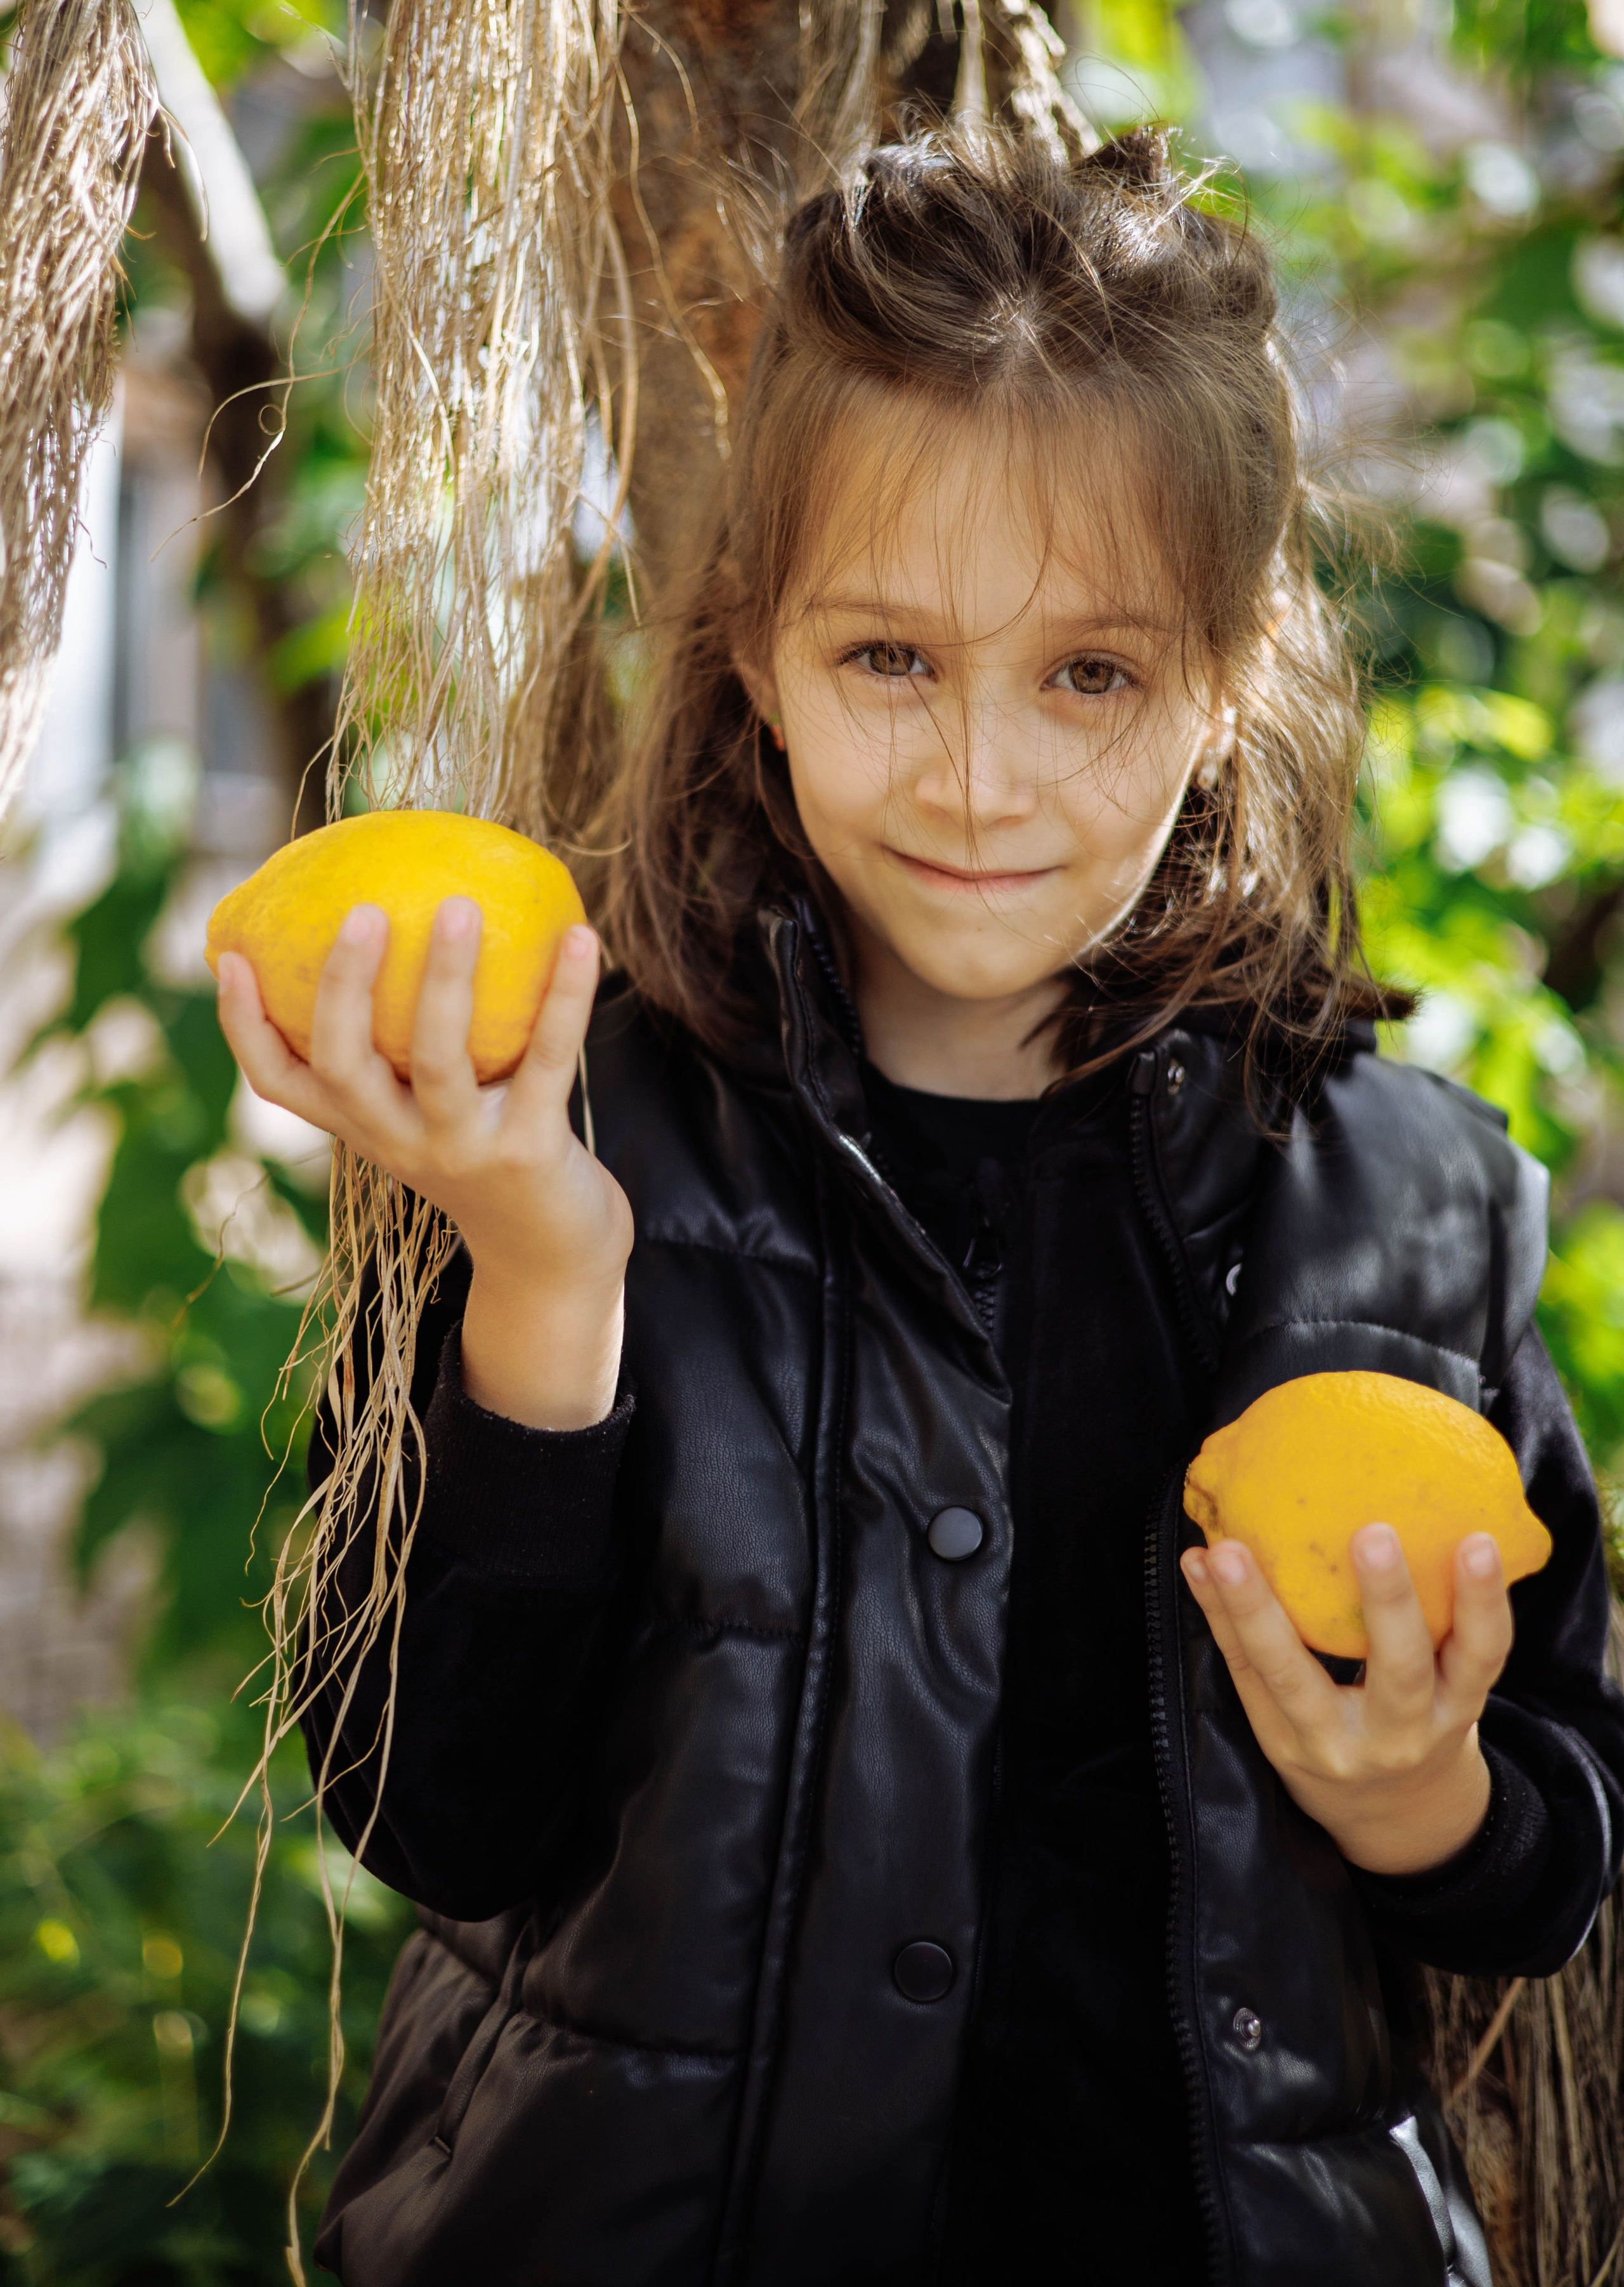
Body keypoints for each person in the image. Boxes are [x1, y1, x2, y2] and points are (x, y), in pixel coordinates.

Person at [215, 124, 1624, 2287]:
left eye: (1090, 675)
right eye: (891, 660)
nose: (982, 779)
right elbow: (432, 1815)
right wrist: (541, 1271)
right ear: (760, 651)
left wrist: (1417, 1789)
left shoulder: (1412, 1202)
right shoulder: (544, 1114)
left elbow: (1555, 1840)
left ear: (1229, 676)